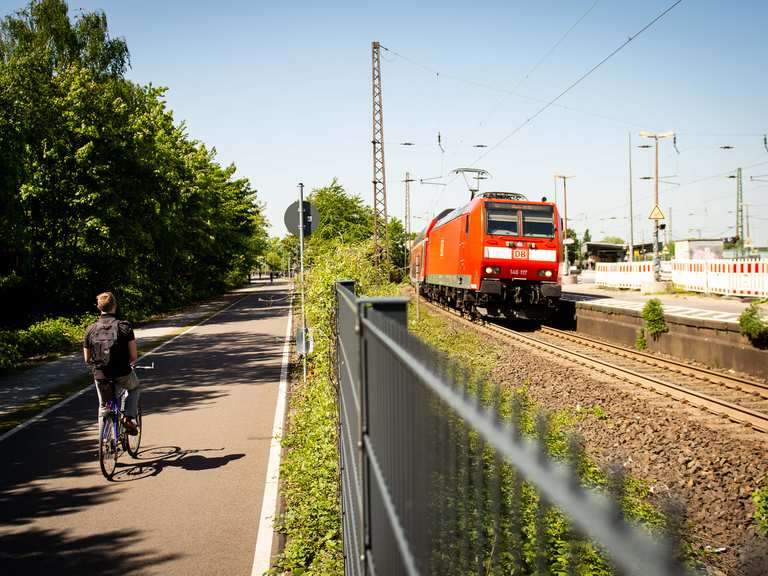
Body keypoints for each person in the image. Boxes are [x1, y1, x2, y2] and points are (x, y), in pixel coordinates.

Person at [83, 292, 141, 436]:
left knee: (104, 405)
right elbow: (133, 355)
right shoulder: (124, 326)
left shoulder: (90, 329)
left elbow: (87, 359)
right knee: (134, 388)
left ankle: (102, 437)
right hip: (122, 372)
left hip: (101, 375)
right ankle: (128, 417)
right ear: (115, 305)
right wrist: (125, 364)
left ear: (98, 307)